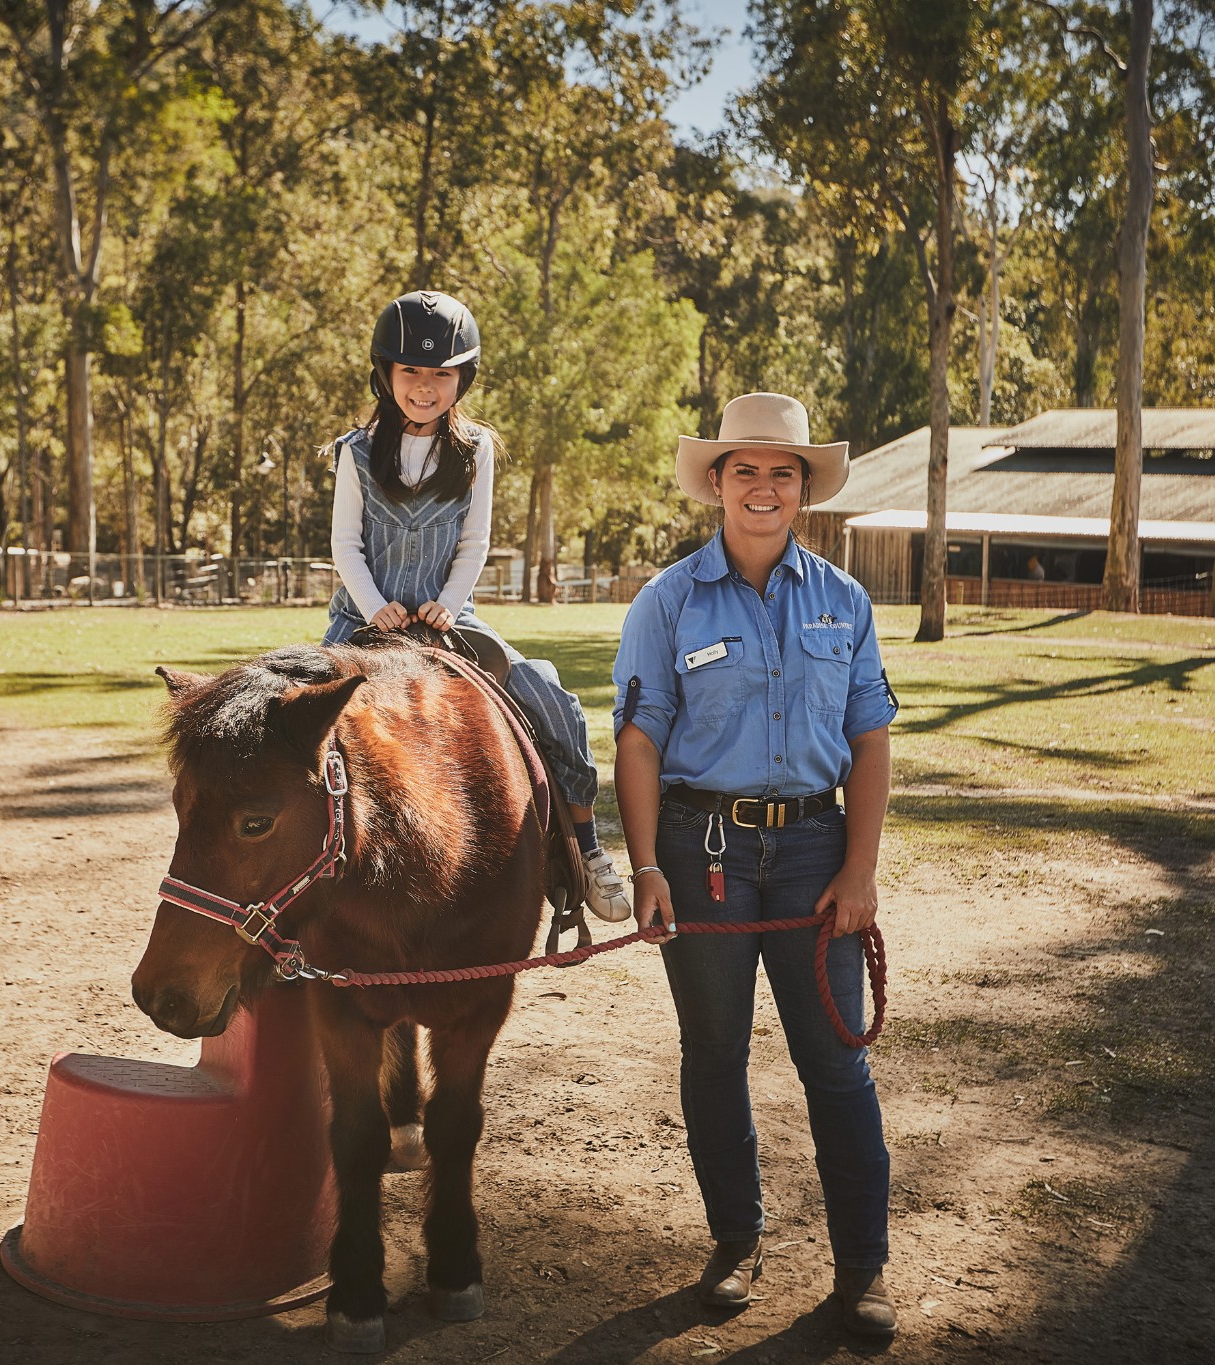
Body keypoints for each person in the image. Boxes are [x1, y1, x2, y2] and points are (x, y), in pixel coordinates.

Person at [612, 392, 899, 1336]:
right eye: (746, 471)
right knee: (715, 1055)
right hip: (705, 854)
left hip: (818, 847)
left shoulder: (844, 601)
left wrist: (859, 871)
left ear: (805, 489)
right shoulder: (667, 601)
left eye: (783, 472)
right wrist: (647, 866)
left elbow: (869, 738)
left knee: (838, 1064)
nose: (764, 487)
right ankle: (736, 1240)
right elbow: (641, 738)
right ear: (719, 485)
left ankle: (863, 1268)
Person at [325, 289, 631, 922]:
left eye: (441, 374)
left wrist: (446, 604)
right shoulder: (354, 451)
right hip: (363, 617)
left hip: (448, 615)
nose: (425, 387)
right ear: (386, 374)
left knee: (550, 695)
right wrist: (376, 606)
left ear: (462, 377)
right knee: (300, 716)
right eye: (411, 372)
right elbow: (345, 544)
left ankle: (587, 848)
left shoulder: (476, 450)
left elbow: (476, 541)